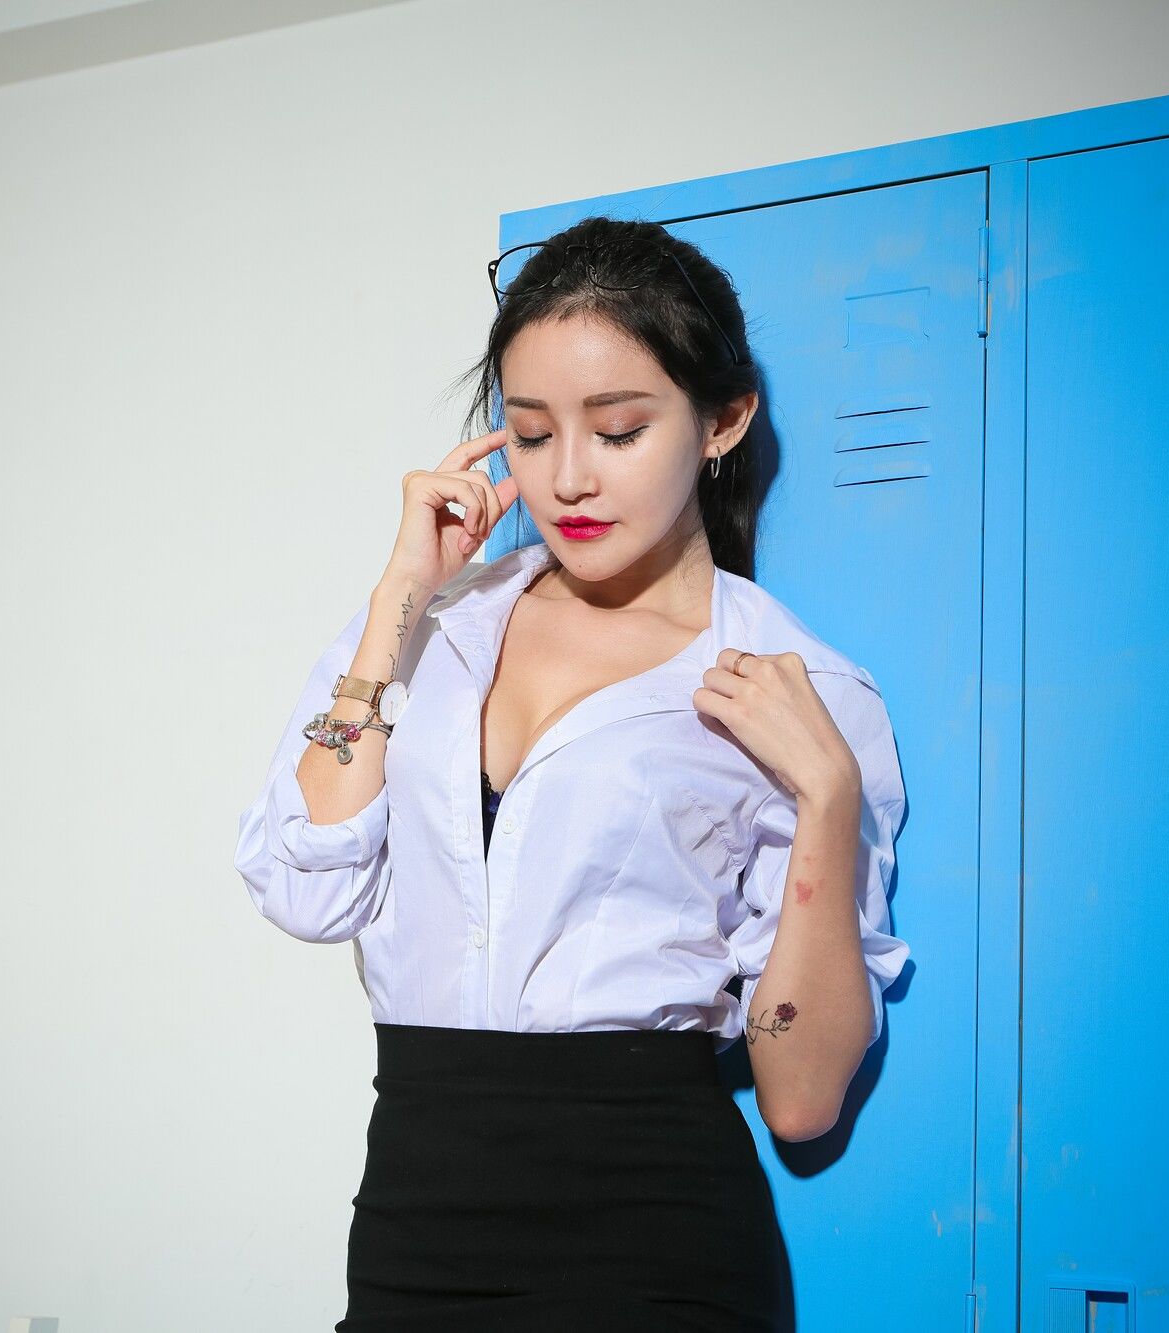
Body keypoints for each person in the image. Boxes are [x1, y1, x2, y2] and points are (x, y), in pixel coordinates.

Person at [233, 216, 908, 1331]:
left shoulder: (800, 690)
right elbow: (308, 893)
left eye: (620, 429)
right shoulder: (428, 631)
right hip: (413, 1224)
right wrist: (398, 596)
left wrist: (829, 800)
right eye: (532, 434)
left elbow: (798, 1100)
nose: (568, 479)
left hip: (654, 1241)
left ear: (723, 421)